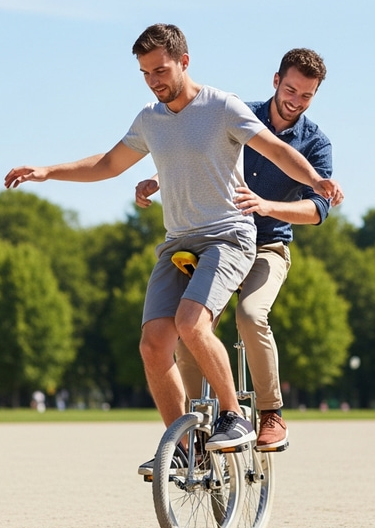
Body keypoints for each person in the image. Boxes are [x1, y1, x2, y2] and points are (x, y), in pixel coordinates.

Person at [4, 24, 343, 472]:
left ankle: (237, 415)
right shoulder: (151, 119)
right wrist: (49, 171)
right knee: (152, 343)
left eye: (160, 70)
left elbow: (277, 150)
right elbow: (109, 163)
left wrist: (315, 181)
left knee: (198, 321)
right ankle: (185, 447)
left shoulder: (223, 107)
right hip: (179, 242)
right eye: (145, 73)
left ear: (185, 62)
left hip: (230, 235)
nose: (153, 80)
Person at [135, 48, 334, 452]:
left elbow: (317, 209)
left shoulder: (315, 142)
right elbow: (195, 152)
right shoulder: (240, 112)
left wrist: (268, 207)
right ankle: (194, 423)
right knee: (190, 326)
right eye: (291, 89)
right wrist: (157, 178)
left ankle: (270, 412)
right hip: (214, 239)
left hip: (267, 247)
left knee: (249, 315)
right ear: (276, 81)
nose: (296, 100)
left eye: (307, 96)